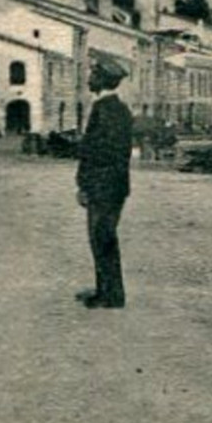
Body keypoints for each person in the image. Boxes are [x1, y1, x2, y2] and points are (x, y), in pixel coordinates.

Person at [76, 55, 133, 309]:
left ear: (101, 80)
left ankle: (110, 295)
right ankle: (107, 290)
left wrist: (86, 184)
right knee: (103, 237)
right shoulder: (117, 109)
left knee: (102, 237)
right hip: (113, 185)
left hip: (103, 186)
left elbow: (100, 152)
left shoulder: (105, 110)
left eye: (93, 75)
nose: (89, 78)